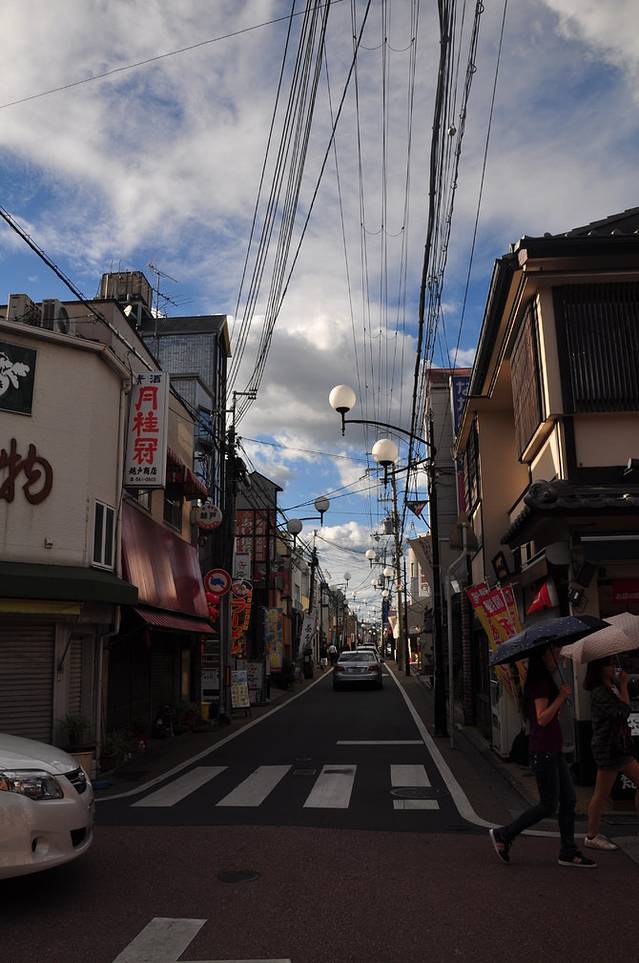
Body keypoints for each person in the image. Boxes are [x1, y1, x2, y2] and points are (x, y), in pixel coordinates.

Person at [489, 643, 596, 868]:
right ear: (543, 656)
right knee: (548, 805)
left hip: (552, 749)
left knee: (568, 799)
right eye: (553, 652)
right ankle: (505, 834)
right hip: (544, 751)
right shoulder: (540, 684)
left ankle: (568, 850)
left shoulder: (545, 681)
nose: (557, 655)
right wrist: (561, 697)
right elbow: (542, 718)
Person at [584, 657, 639, 851]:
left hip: (619, 747)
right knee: (601, 793)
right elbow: (622, 712)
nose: (613, 668)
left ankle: (592, 834)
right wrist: (623, 685)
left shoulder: (610, 687)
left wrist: (621, 685)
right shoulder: (600, 692)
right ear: (600, 669)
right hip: (608, 748)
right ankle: (591, 835)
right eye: (610, 665)